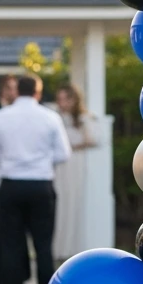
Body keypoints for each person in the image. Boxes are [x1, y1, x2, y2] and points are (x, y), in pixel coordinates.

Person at [0, 75, 71, 284]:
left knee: (9, 245)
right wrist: (40, 160)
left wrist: (10, 159)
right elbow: (63, 154)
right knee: (43, 247)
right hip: (41, 185)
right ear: (37, 93)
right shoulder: (50, 117)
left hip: (11, 185)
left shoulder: (0, 117)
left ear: (16, 91)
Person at [50, 84, 99, 265]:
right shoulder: (54, 117)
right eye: (60, 99)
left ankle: (71, 248)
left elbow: (92, 139)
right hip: (58, 166)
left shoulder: (84, 118)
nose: (62, 103)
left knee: (73, 204)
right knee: (59, 205)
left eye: (66, 99)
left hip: (75, 165)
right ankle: (57, 248)